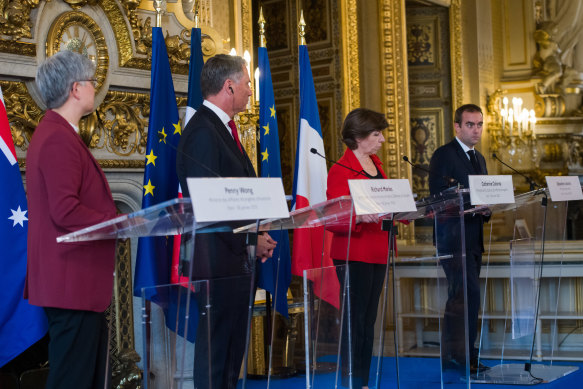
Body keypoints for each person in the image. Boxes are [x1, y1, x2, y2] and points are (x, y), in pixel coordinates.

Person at [176, 54, 277, 389]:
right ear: (229, 86)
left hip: (234, 261)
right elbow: (211, 204)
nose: (250, 91)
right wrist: (251, 240)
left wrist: (258, 231)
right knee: (216, 356)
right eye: (247, 84)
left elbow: (236, 195)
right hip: (217, 262)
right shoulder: (204, 131)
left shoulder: (222, 128)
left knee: (231, 356)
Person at [24, 50, 117, 389]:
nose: (95, 88)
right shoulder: (58, 138)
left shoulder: (59, 134)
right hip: (70, 285)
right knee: (72, 381)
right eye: (91, 82)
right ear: (75, 88)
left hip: (75, 284)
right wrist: (115, 223)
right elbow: (65, 211)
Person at [326, 108, 390, 388]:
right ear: (358, 137)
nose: (382, 140)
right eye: (376, 134)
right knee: (354, 320)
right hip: (354, 252)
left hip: (378, 250)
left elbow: (385, 202)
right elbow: (332, 216)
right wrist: (357, 215)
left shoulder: (377, 165)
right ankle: (353, 379)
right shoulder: (340, 169)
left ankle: (363, 379)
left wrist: (400, 212)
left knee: (369, 321)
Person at [428, 104, 490, 374]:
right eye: (469, 125)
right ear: (457, 126)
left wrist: (486, 208)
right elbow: (437, 198)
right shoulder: (444, 155)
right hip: (452, 239)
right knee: (466, 297)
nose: (475, 130)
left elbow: (483, 195)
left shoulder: (480, 158)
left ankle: (459, 357)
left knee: (464, 298)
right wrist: (467, 205)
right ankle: (462, 357)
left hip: (473, 239)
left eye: (479, 125)